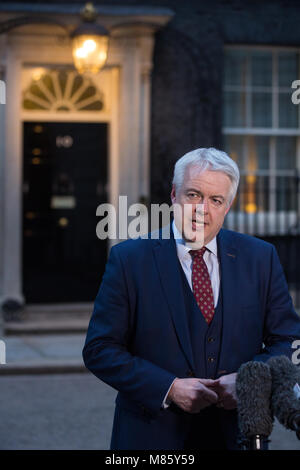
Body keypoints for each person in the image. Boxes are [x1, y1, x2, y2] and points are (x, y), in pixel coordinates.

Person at [83, 147, 300, 450]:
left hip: (236, 435)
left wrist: (249, 380)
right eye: (194, 195)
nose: (202, 209)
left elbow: (288, 340)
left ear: (228, 205)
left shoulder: (260, 257)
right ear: (174, 195)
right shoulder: (130, 259)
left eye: (216, 200)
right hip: (151, 438)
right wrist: (168, 388)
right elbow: (99, 349)